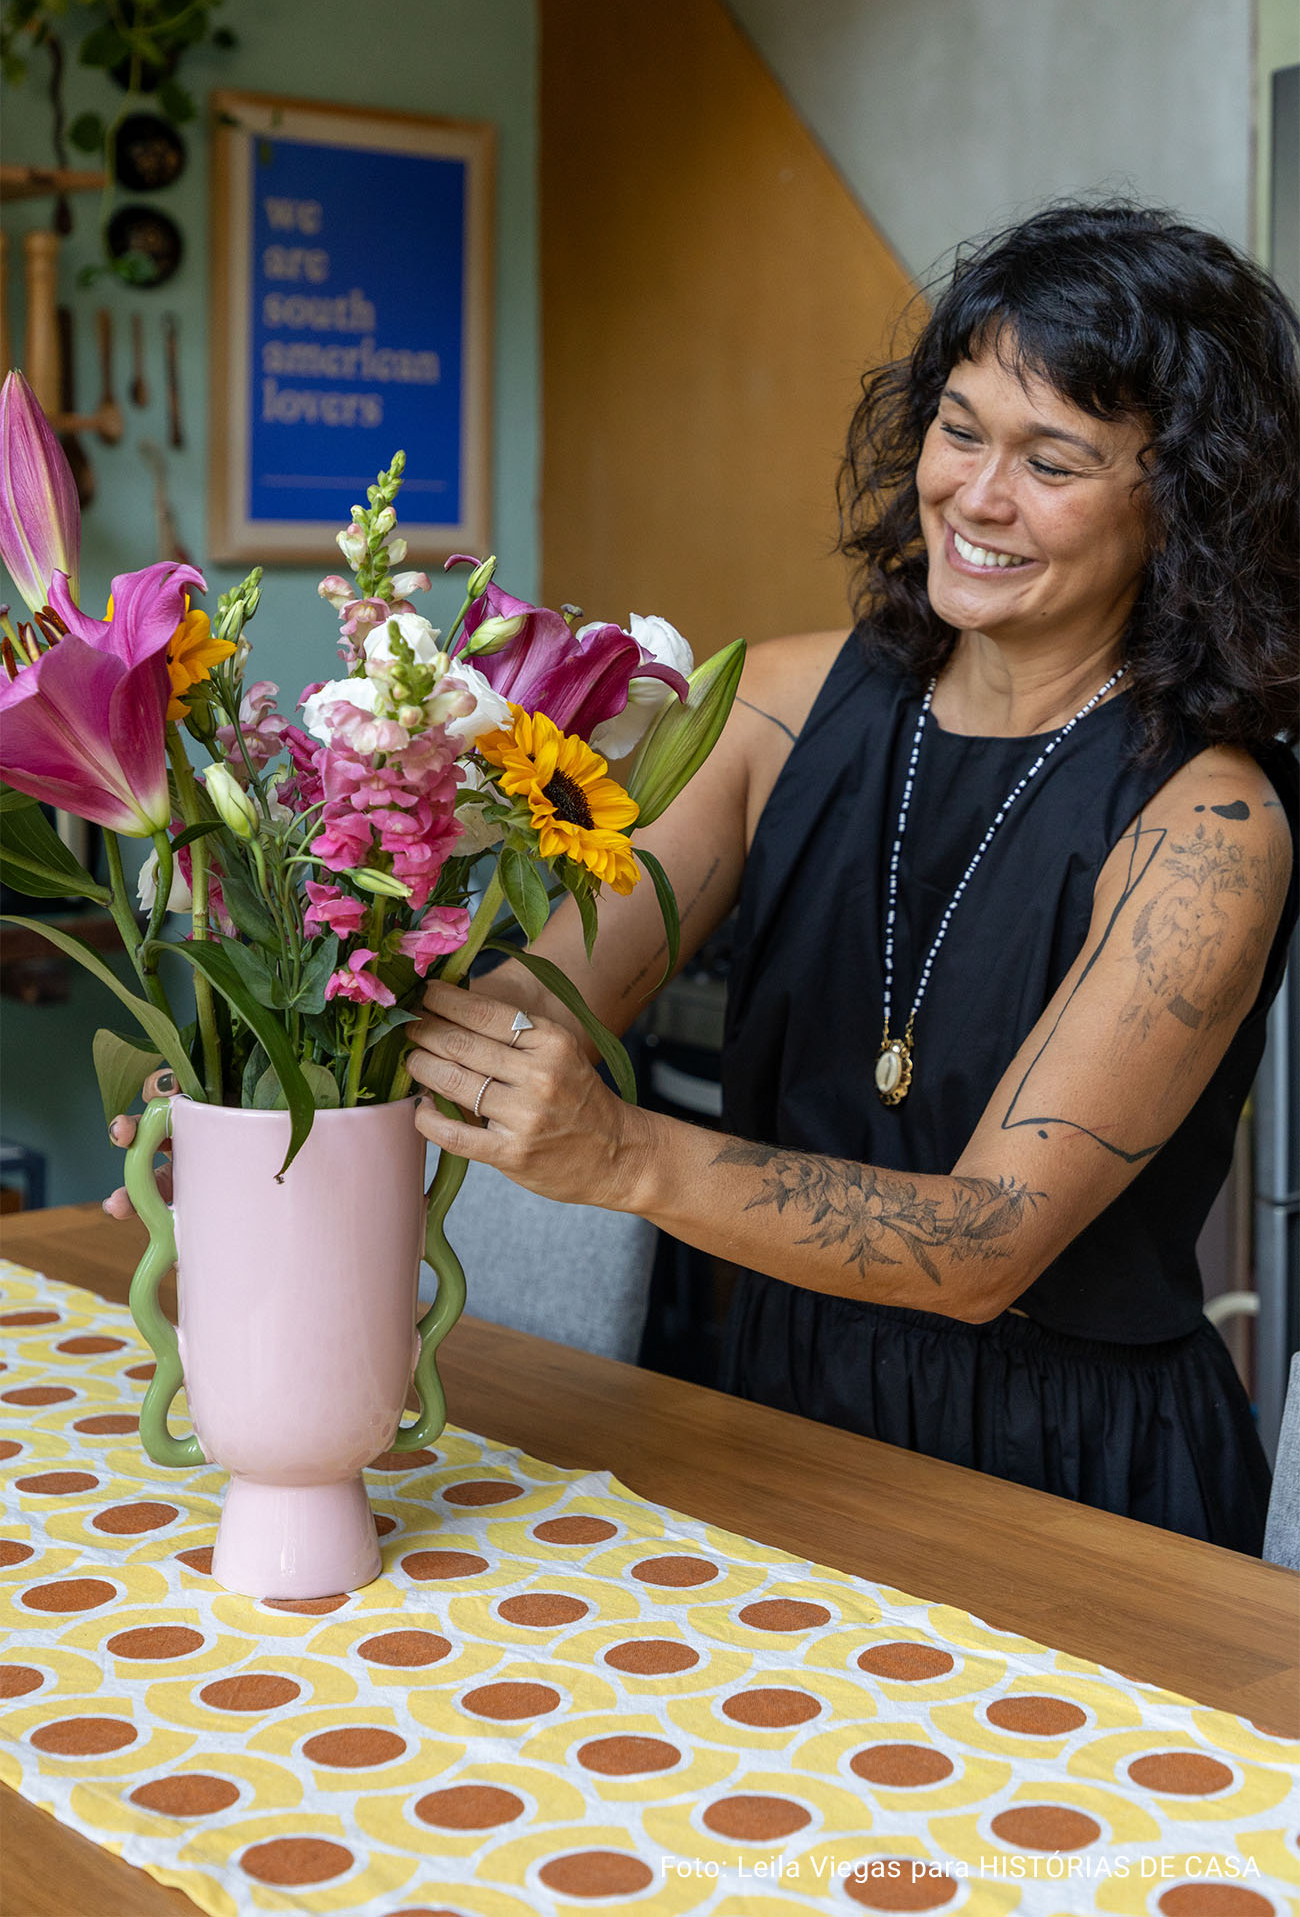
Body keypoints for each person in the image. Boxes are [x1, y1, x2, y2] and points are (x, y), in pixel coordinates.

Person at [111, 202, 1298, 1553]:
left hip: (1071, 1473)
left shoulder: (1213, 824)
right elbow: (528, 1009)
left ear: (1186, 499)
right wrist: (258, 1118)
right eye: (961, 428)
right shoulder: (776, 707)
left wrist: (618, 1154)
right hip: (776, 1405)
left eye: (1056, 460)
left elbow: (988, 1243)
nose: (976, 493)